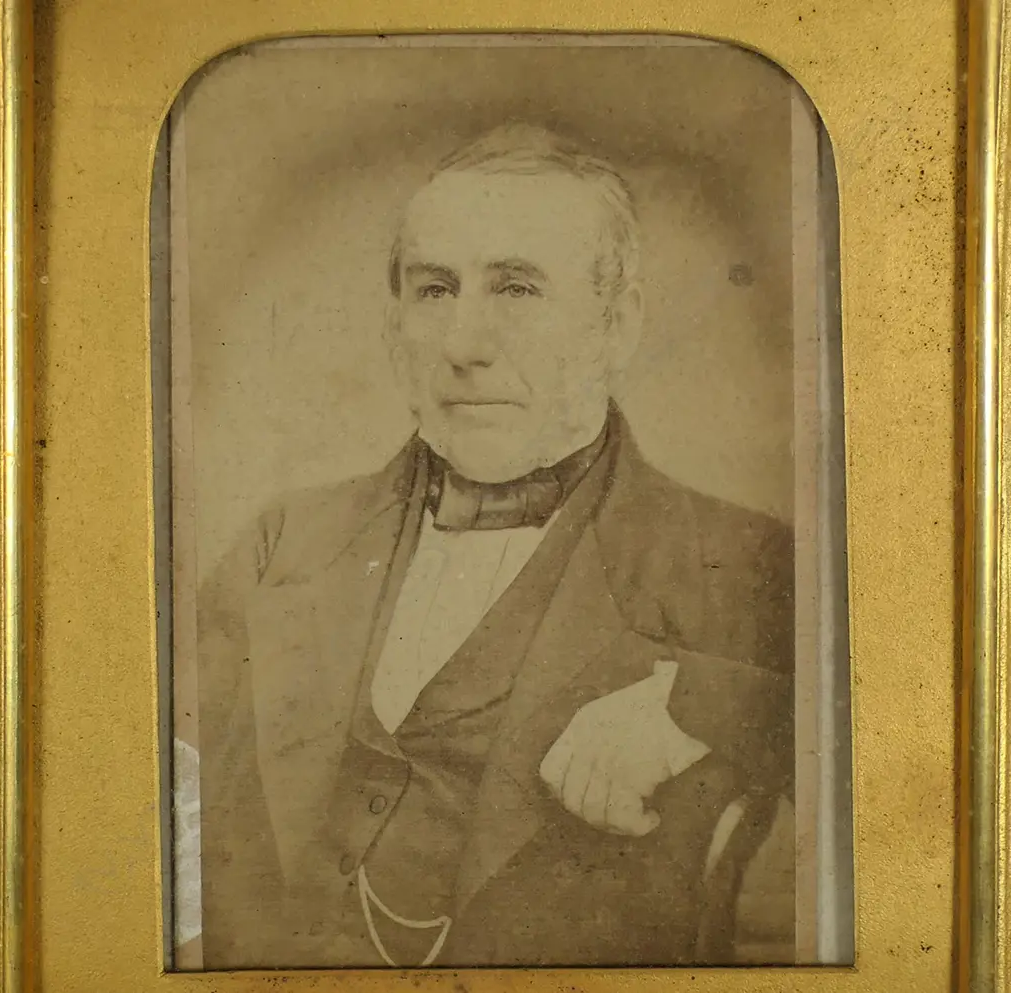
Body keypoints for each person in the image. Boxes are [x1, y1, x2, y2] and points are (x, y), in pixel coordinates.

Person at [196, 123, 795, 969]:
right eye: (434, 289)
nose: (463, 345)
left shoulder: (744, 563)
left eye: (516, 288)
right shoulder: (283, 541)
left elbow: (909, 747)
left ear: (617, 324)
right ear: (394, 322)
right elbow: (147, 786)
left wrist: (707, 702)